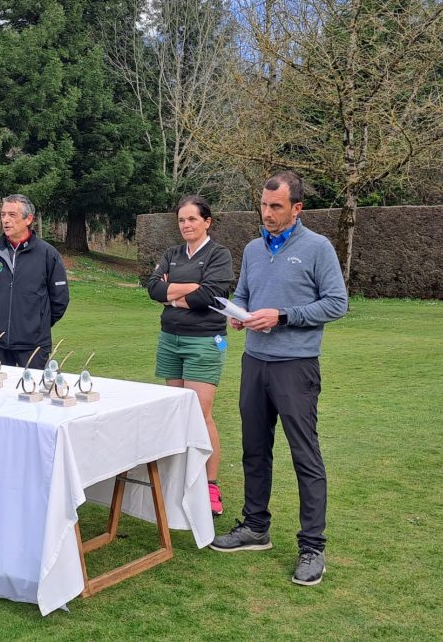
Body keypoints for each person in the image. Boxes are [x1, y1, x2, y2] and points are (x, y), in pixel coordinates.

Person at [210, 171, 348, 588]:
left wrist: (284, 315)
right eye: (264, 206)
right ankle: (255, 527)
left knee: (305, 455)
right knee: (254, 449)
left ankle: (312, 547)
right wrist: (237, 313)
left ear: (297, 208)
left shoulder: (318, 248)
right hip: (255, 362)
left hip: (296, 366)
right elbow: (244, 295)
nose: (267, 214)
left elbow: (337, 303)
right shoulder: (253, 249)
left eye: (276, 207)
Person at [146, 195, 235, 516]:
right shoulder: (171, 253)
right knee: (177, 412)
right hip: (170, 339)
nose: (186, 225)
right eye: (181, 220)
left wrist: (175, 292)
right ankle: (182, 479)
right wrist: (190, 288)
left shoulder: (219, 254)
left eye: (192, 219)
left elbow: (211, 294)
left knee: (199, 414)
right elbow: (153, 288)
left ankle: (210, 486)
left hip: (204, 342)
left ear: (207, 221)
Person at [0, 194, 70, 370]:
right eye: (3, 214)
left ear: (28, 219)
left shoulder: (47, 254)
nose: (5, 220)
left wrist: (37, 323)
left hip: (33, 346)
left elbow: (60, 300)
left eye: (12, 215)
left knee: (33, 395)